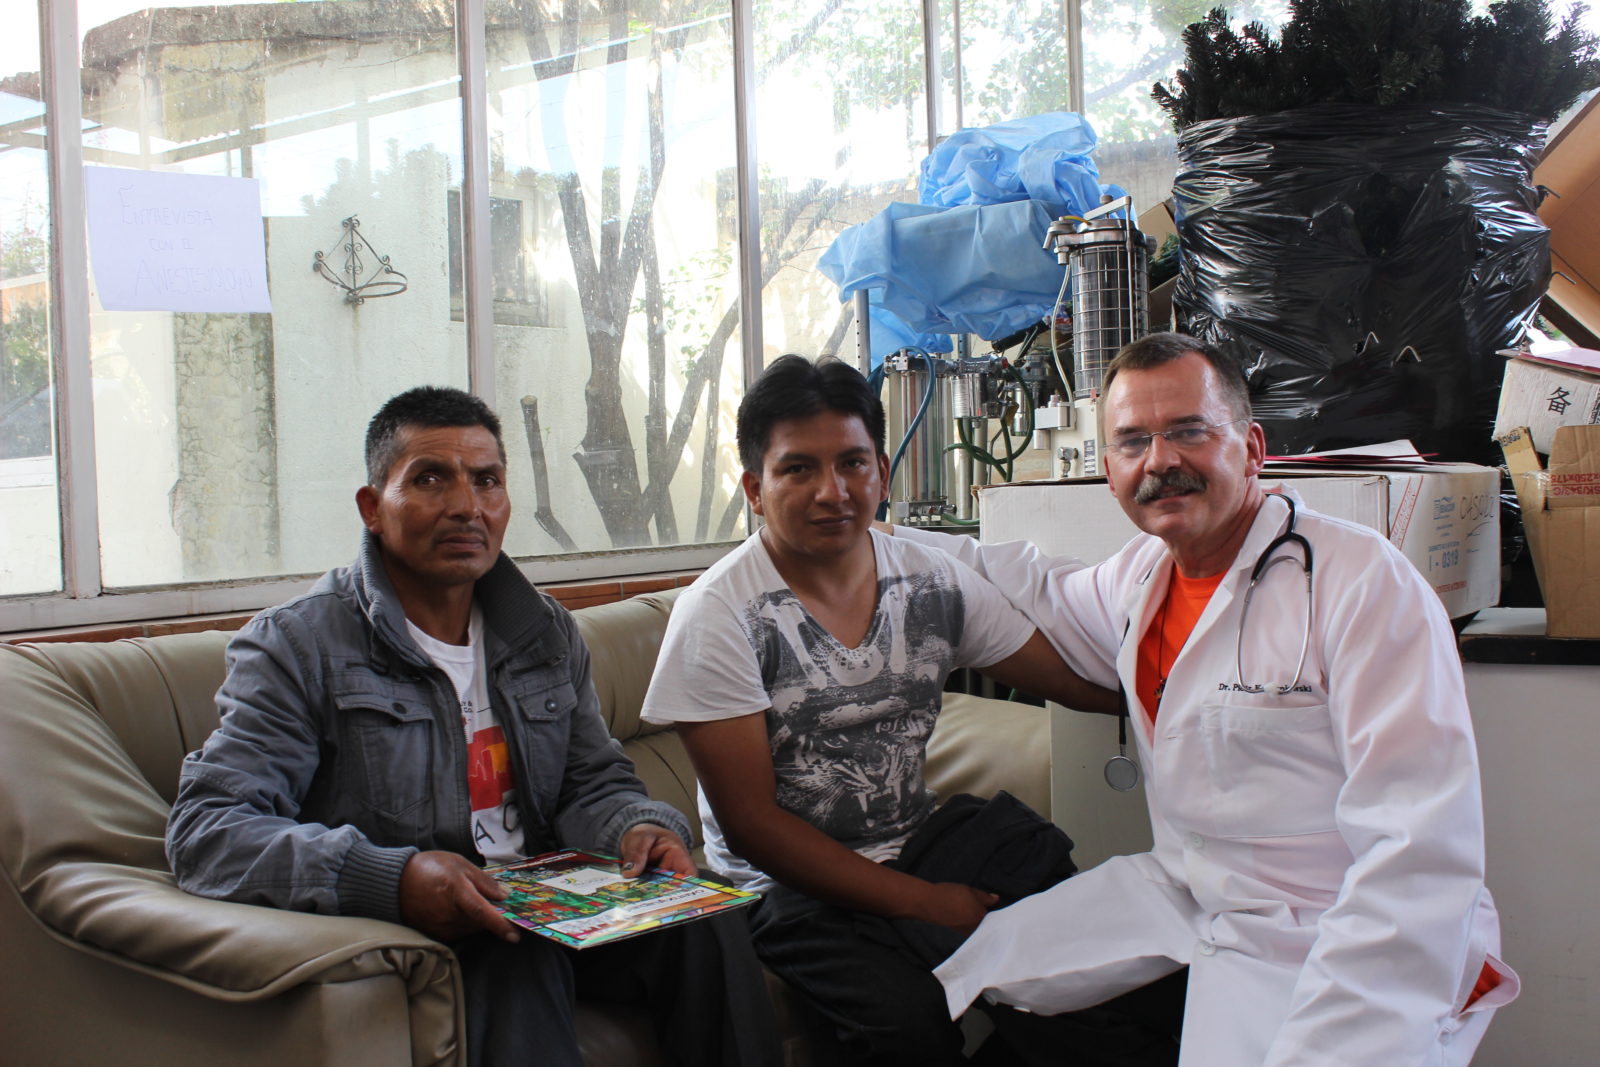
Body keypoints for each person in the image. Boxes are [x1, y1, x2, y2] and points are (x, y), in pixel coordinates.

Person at [888, 332, 1519, 1066]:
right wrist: (873, 536)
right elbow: (1026, 583)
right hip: (1190, 888)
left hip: (1334, 921)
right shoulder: (1141, 576)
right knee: (970, 969)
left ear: (1251, 448)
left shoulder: (1361, 584)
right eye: (1133, 442)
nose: (1160, 460)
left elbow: (1417, 850)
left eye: (1189, 431)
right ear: (1111, 471)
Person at [166, 386, 779, 1067]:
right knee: (511, 955)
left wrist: (636, 828)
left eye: (486, 480)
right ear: (372, 507)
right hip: (426, 929)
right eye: (430, 479)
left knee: (709, 918)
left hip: (554, 905)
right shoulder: (298, 645)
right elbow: (207, 831)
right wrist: (393, 877)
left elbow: (590, 781)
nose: (466, 505)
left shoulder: (543, 631)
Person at [639, 354, 1185, 1067]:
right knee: (910, 1019)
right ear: (755, 488)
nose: (832, 491)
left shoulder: (929, 581)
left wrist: (1205, 691)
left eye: (852, 463)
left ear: (883, 474)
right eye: (798, 468)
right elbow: (754, 828)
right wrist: (923, 903)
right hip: (783, 889)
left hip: (918, 838)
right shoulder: (718, 616)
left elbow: (1071, 679)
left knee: (1107, 957)